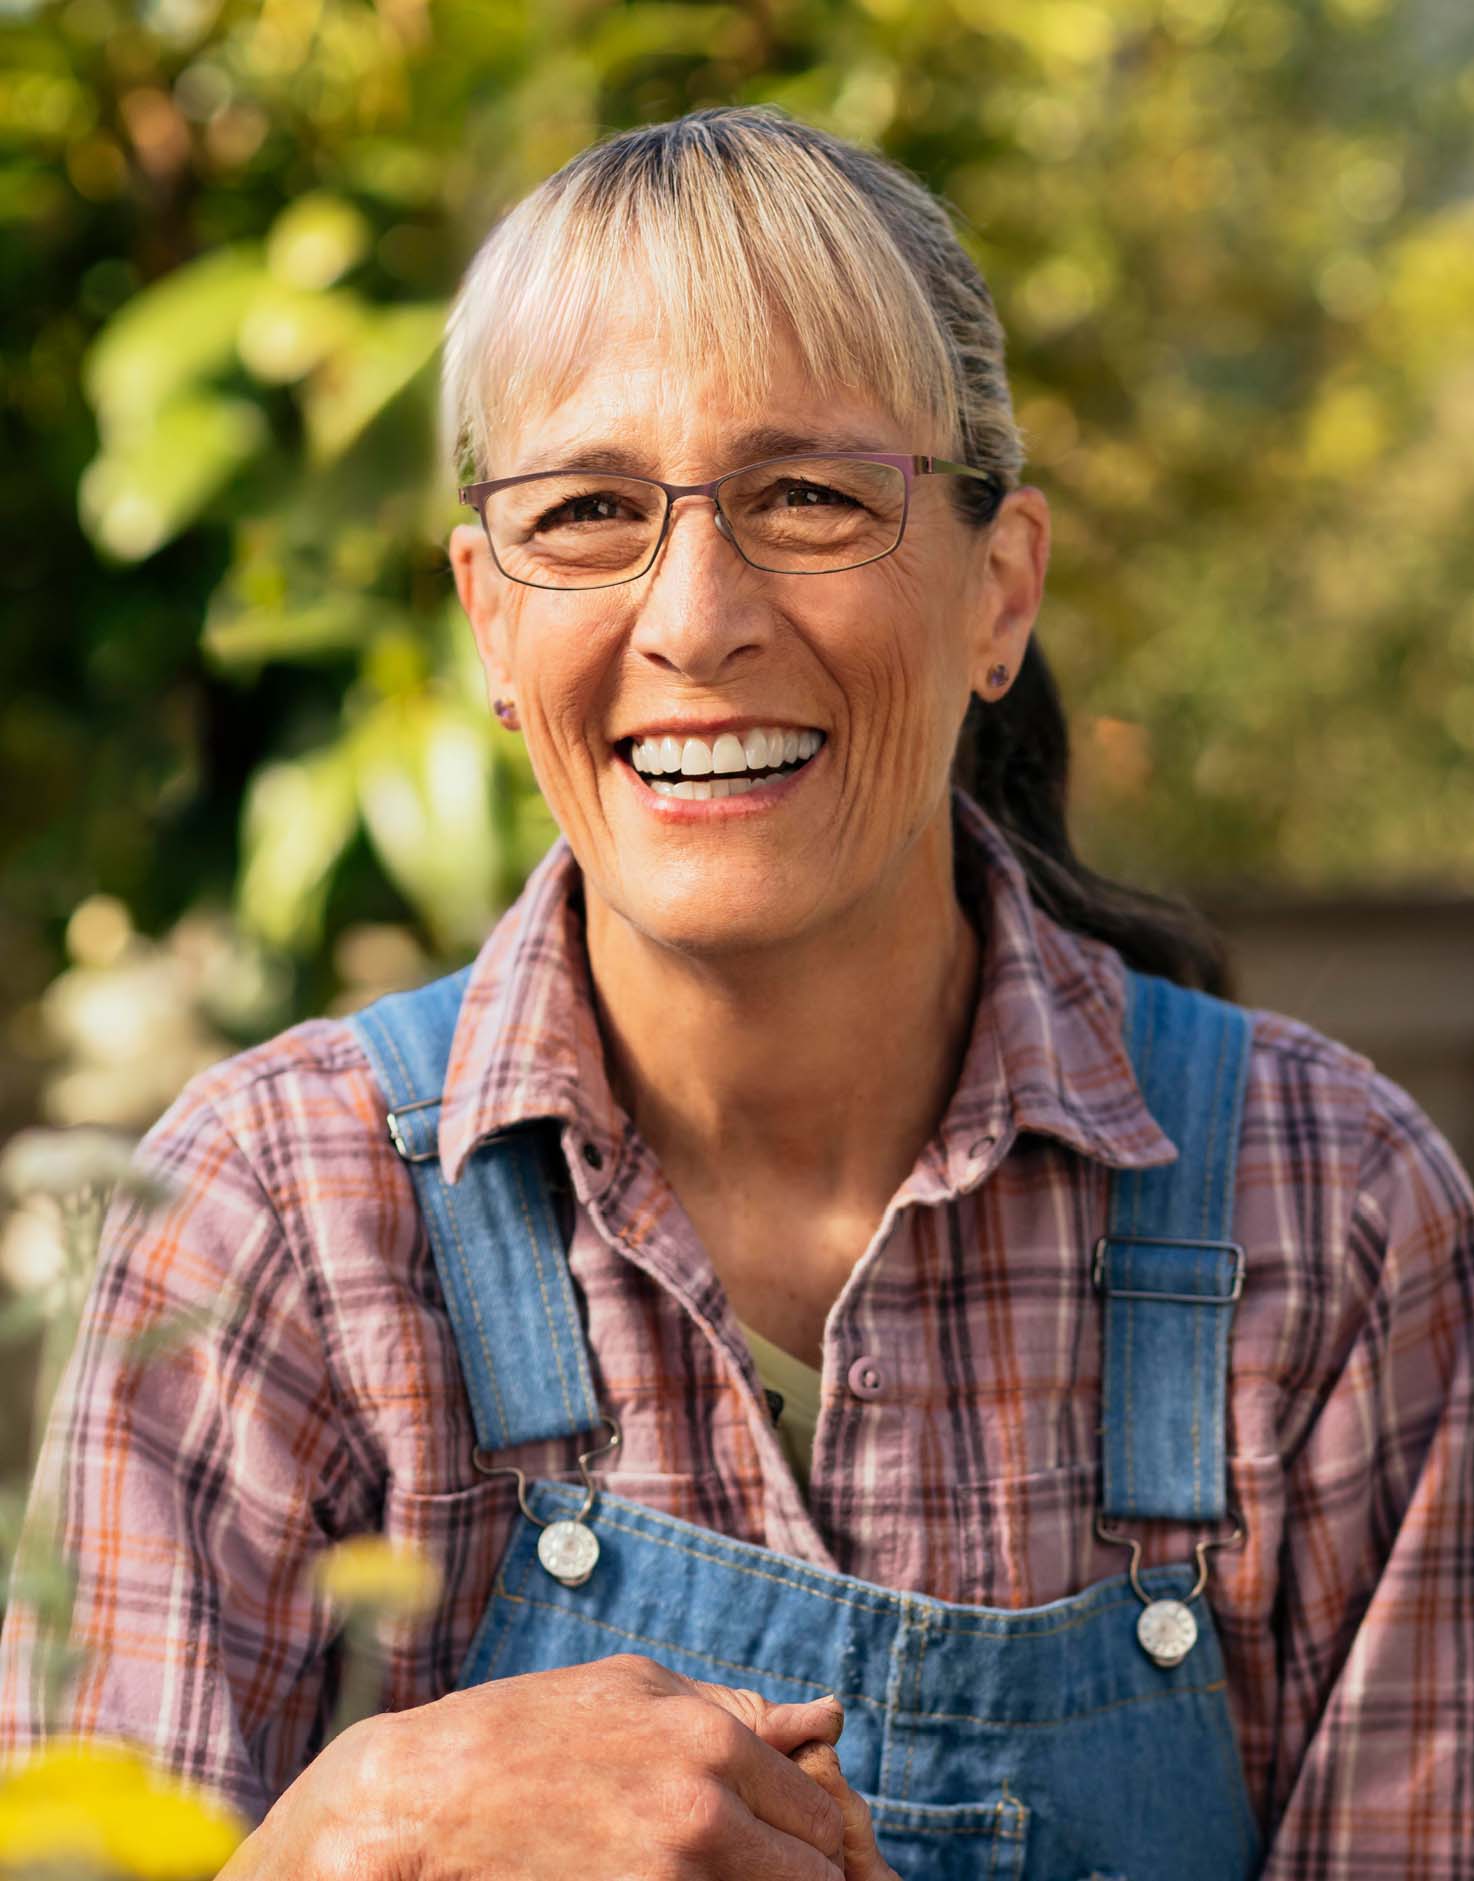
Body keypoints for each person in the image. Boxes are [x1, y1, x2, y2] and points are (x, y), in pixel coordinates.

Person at [2, 103, 1471, 1881]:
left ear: (998, 591)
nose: (694, 617)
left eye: (807, 497)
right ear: (485, 616)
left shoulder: (1334, 1218)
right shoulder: (268, 1217)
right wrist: (358, 1838)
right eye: (590, 511)